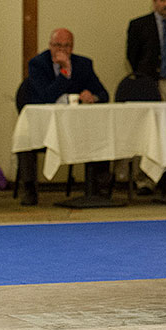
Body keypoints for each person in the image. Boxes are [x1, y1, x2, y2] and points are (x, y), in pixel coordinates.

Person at [18, 28, 110, 206]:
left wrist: (93, 97)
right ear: (50, 46)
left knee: (102, 130)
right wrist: (65, 72)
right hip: (45, 127)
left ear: (72, 47)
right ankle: (29, 188)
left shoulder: (84, 64)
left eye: (66, 46)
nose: (62, 50)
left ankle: (99, 188)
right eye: (57, 45)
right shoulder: (38, 64)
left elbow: (104, 94)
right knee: (25, 136)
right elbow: (46, 96)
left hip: (78, 128)